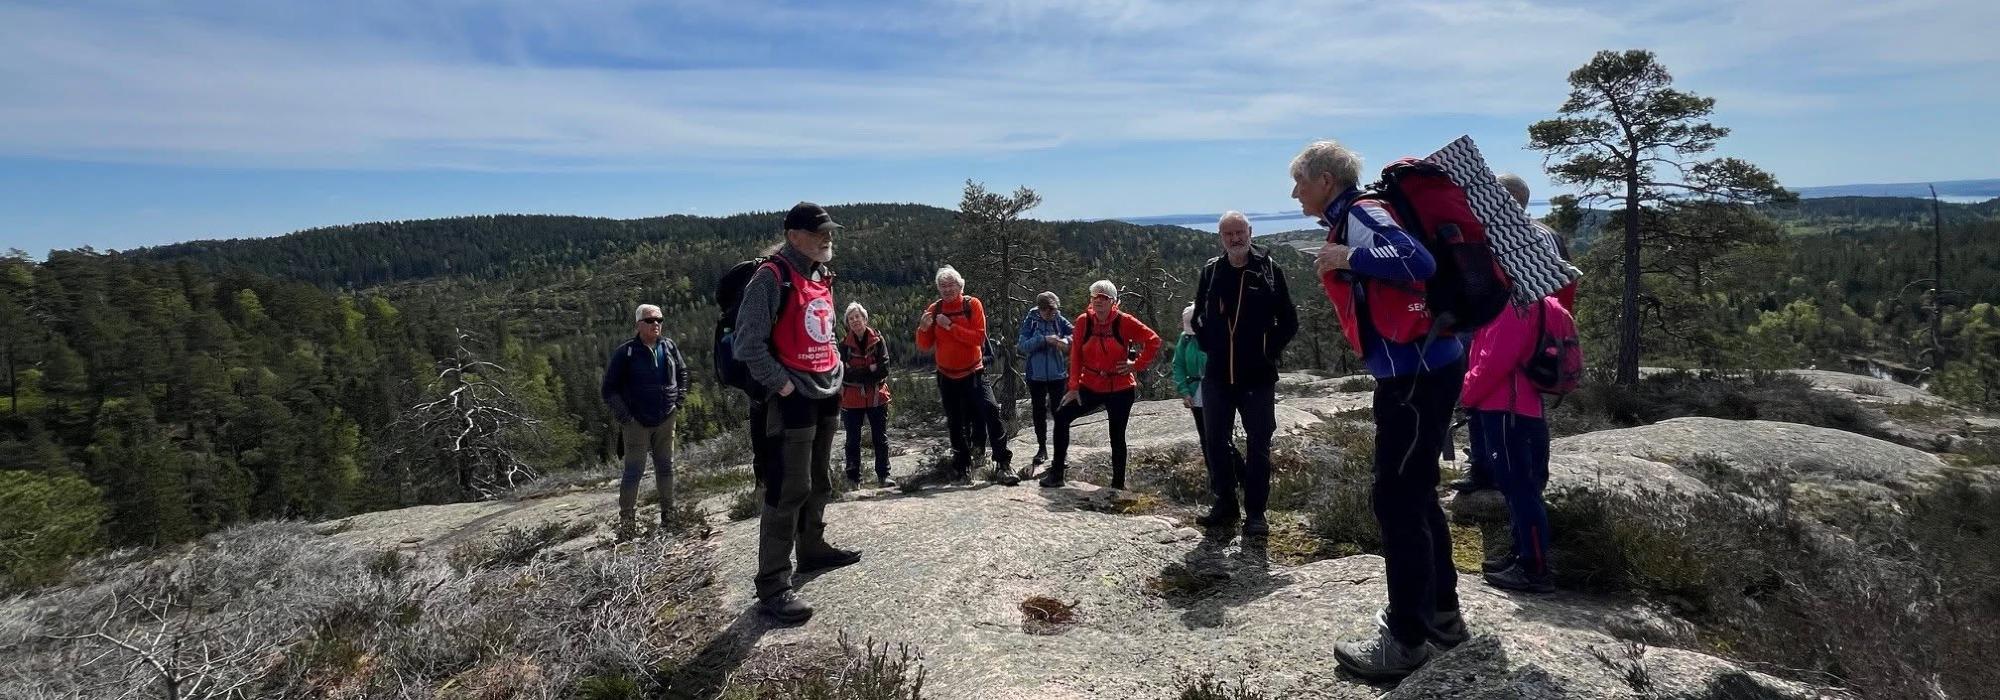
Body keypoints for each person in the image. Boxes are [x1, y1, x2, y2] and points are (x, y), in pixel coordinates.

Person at [1293, 140, 1468, 679]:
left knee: (1395, 499)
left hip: (1414, 375)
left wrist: (1347, 256)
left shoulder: (1362, 213)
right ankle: (1441, 614)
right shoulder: (1357, 214)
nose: (1294, 192)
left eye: (1299, 180)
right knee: (1413, 493)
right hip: (1422, 368)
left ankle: (1406, 639)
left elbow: (1417, 261)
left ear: (1325, 179)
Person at [734, 201, 862, 624]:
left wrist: (837, 369)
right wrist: (784, 385)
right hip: (792, 396)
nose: (828, 237)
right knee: (788, 487)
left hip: (826, 389)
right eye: (819, 231)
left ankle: (812, 549)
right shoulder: (770, 277)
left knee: (820, 479)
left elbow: (822, 328)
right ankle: (773, 583)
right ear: (793, 235)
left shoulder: (819, 274)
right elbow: (747, 345)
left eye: (829, 231)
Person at [1453, 174, 1577, 495]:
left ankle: (1489, 470)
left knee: (1490, 398)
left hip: (1512, 331)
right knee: (1520, 404)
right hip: (1528, 332)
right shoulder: (1540, 234)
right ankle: (1517, 470)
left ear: (1502, 200)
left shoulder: (1521, 237)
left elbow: (1535, 290)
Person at [1190, 211, 1299, 536]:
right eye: (1228, 234)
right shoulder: (1211, 271)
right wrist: (1210, 344)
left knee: (1258, 445)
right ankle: (1225, 504)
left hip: (1258, 376)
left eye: (1240, 232)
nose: (1235, 239)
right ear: (1221, 238)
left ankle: (1256, 514)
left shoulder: (1268, 270)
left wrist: (1267, 349)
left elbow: (1289, 320)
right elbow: (1197, 316)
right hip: (1218, 375)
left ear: (1250, 232)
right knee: (1215, 441)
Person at [1461, 297, 1560, 594]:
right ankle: (1522, 553)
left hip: (1507, 409)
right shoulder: (1547, 302)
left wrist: (1466, 392)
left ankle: (1533, 569)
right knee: (1525, 487)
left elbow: (1494, 362)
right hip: (1529, 406)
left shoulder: (1511, 306)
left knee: (1520, 489)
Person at [1039, 280, 1161, 490]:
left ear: (1113, 302)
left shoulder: (1125, 322)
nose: (1099, 301)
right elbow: (1076, 354)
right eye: (1095, 297)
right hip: (1091, 384)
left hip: (1120, 387)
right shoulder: (1084, 322)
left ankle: (1117, 486)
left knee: (1116, 436)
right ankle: (1057, 473)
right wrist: (1074, 387)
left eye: (1104, 297)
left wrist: (1136, 365)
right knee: (1061, 415)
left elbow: (1153, 340)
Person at [916, 265, 1016, 484]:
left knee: (990, 410)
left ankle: (1003, 464)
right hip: (947, 376)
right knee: (955, 423)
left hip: (974, 373)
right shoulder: (935, 309)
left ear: (960, 286)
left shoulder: (972, 305)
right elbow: (924, 346)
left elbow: (978, 339)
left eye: (951, 285)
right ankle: (963, 469)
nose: (947, 290)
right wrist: (923, 328)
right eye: (943, 286)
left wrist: (950, 326)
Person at [601, 303, 689, 537]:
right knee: (634, 471)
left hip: (666, 417)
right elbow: (609, 390)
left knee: (666, 467)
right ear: (639, 324)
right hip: (636, 422)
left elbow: (682, 373)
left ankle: (669, 517)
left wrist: (678, 401)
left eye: (659, 319)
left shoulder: (669, 346)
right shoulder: (626, 352)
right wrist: (626, 417)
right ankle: (627, 525)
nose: (656, 324)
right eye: (650, 321)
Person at [838, 302, 897, 489]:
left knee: (880, 437)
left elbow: (884, 369)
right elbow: (842, 373)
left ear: (865, 319)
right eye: (851, 318)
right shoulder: (843, 346)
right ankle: (853, 479)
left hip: (876, 397)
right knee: (852, 440)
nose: (855, 320)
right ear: (847, 323)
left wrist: (856, 371)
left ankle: (884, 475)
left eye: (858, 317)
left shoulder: (879, 341)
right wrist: (868, 370)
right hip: (852, 399)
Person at [1017, 291, 1074, 468]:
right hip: (1036, 376)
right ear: (1041, 309)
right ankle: (1042, 449)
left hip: (1058, 375)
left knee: (1060, 414)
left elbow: (1076, 334)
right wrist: (1043, 340)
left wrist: (1065, 341)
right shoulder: (1031, 321)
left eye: (1054, 310)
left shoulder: (1059, 320)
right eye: (1048, 311)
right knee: (1039, 413)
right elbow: (1023, 346)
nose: (1052, 314)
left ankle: (1061, 453)